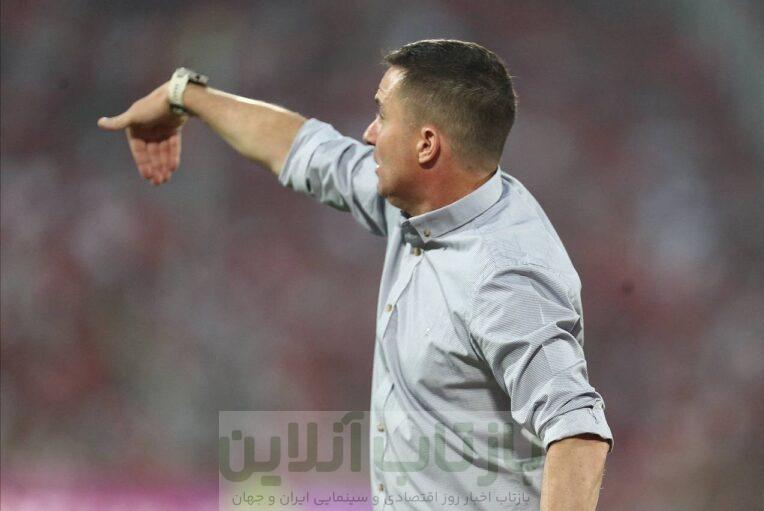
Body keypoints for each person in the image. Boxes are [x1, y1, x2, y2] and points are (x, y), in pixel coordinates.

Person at [98, 39, 613, 510]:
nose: (369, 133)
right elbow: (305, 149)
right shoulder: (425, 200)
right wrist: (184, 96)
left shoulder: (504, 274)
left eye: (382, 115)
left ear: (427, 145)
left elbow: (576, 431)